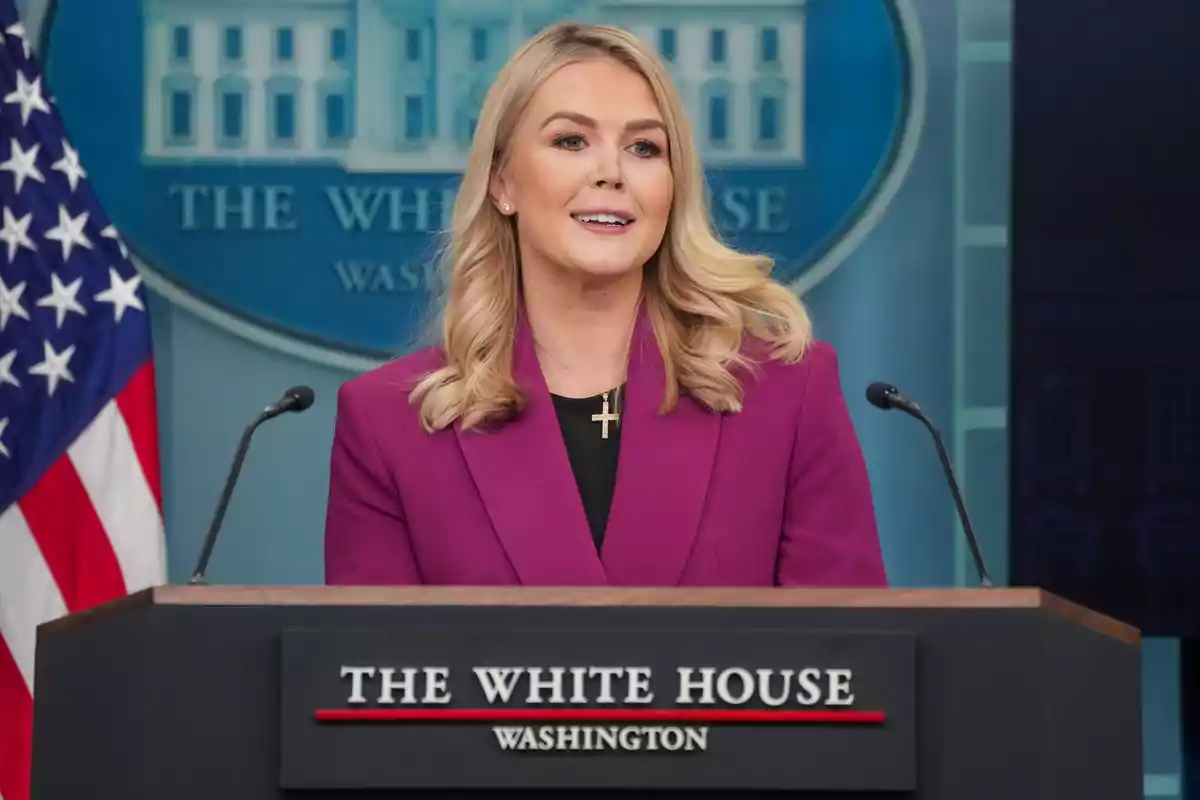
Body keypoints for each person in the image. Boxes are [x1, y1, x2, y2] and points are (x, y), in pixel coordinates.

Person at [323, 22, 888, 588]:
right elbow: (372, 672)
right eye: (571, 141)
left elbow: (851, 661)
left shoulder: (786, 394)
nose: (612, 174)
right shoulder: (388, 425)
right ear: (502, 184)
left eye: (644, 148)